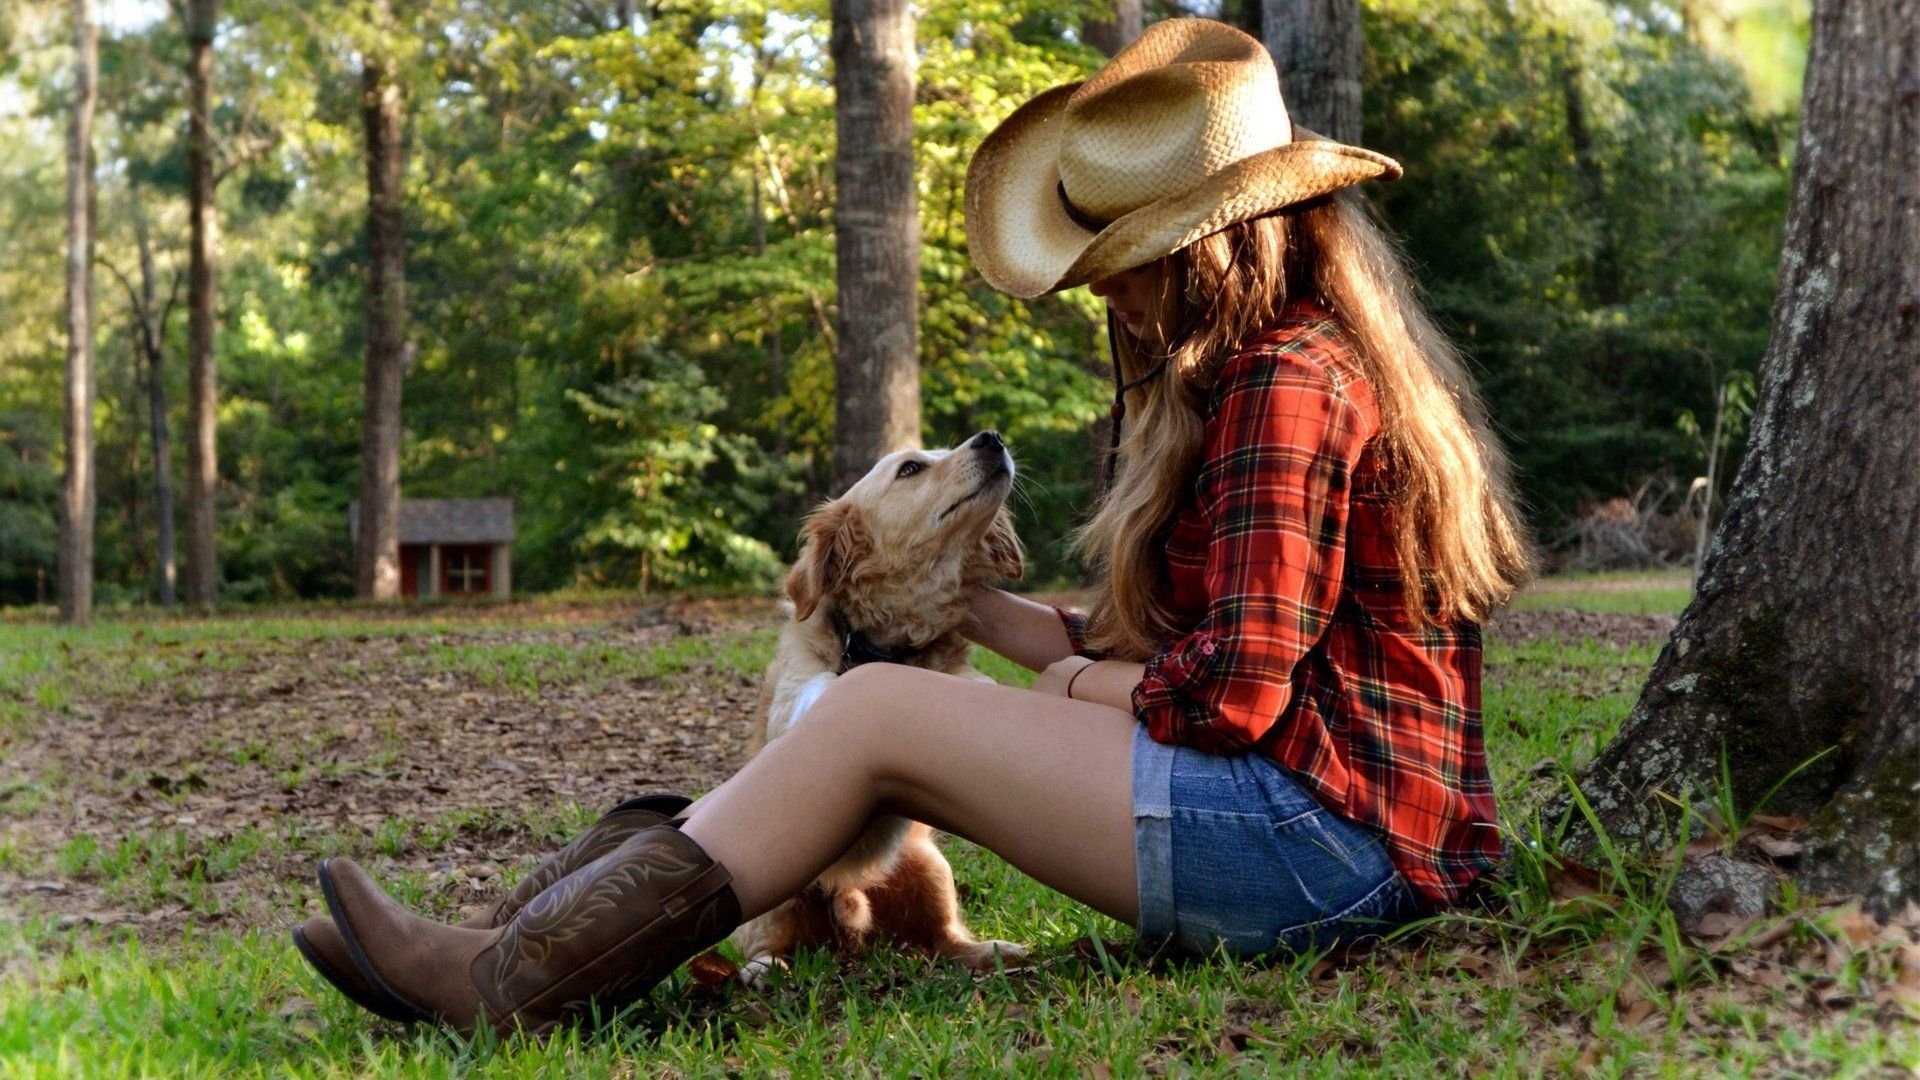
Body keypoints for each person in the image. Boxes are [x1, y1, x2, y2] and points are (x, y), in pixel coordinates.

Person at [295, 18, 1533, 1037]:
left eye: (1120, 263)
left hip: (1326, 852)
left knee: (878, 713)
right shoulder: (1299, 367)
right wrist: (994, 619)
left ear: (1202, 253)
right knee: (866, 716)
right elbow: (1207, 652)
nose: (1106, 292)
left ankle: (506, 984)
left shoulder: (1284, 387)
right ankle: (510, 946)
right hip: (1340, 838)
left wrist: (1065, 695)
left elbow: (1234, 697)